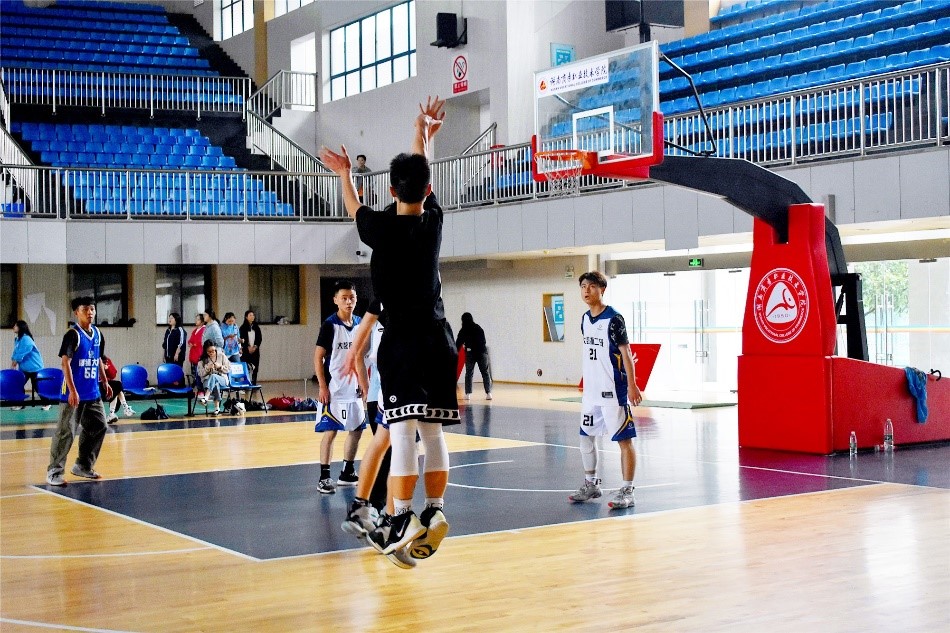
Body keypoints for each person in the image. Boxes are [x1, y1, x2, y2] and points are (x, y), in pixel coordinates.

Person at [320, 95, 458, 566]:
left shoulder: (378, 228)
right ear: (426, 190)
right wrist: (422, 135)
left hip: (402, 343)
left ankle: (400, 517)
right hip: (439, 340)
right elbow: (422, 177)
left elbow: (353, 205)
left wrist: (345, 173)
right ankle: (435, 509)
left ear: (393, 190)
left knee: (402, 435)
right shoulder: (434, 222)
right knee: (433, 434)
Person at [570, 271, 643, 510]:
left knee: (624, 440)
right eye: (583, 286)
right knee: (585, 437)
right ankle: (591, 484)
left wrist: (632, 385)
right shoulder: (584, 319)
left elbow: (626, 353)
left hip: (613, 391)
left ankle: (628, 490)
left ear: (602, 289)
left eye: (591, 286)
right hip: (591, 394)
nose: (586, 290)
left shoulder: (614, 319)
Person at [46, 297, 111, 486]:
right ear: (76, 312)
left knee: (99, 426)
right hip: (72, 393)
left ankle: (83, 465)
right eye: (85, 309)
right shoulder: (72, 334)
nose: (90, 312)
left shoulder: (98, 334)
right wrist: (73, 391)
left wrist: (105, 380)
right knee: (66, 432)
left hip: (92, 392)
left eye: (92, 309)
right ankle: (54, 471)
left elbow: (98, 358)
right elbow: (65, 363)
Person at [313, 280, 367, 495]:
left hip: (354, 389)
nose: (348, 302)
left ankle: (347, 471)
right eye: (344, 298)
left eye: (351, 298)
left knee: (357, 430)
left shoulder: (361, 323)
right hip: (334, 389)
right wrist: (322, 386)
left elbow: (362, 358)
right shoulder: (330, 325)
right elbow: (318, 357)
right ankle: (324, 477)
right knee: (331, 431)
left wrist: (364, 383)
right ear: (335, 300)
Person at [10, 320, 47, 410]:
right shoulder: (18, 339)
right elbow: (16, 351)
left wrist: (16, 360)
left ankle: (47, 403)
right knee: (18, 384)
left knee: (37, 386)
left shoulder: (26, 338)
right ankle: (20, 404)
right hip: (24, 368)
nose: (13, 327)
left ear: (20, 327)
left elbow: (24, 351)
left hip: (34, 367)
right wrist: (13, 359)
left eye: (15, 326)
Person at [456, 312, 493, 401]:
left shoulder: (463, 330)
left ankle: (468, 394)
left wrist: (456, 352)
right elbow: (483, 341)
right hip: (482, 352)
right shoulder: (478, 328)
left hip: (470, 353)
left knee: (469, 373)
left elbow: (458, 343)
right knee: (485, 372)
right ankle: (488, 393)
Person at [196, 340, 230, 416]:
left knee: (214, 376)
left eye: (213, 351)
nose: (212, 353)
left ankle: (206, 397)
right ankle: (217, 408)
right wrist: (207, 368)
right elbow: (200, 374)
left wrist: (220, 367)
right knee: (215, 383)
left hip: (222, 379)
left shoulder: (221, 356)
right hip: (207, 381)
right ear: (205, 351)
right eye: (209, 352)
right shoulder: (202, 360)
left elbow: (228, 369)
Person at [100, 354, 136, 424]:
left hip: (108, 384)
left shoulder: (107, 361)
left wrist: (107, 369)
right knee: (117, 386)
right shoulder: (94, 362)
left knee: (116, 387)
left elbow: (113, 375)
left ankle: (112, 413)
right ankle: (125, 407)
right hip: (98, 385)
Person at [239, 310, 262, 384]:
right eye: (250, 315)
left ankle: (254, 382)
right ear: (246, 317)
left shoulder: (257, 327)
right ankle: (246, 382)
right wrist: (247, 347)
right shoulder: (242, 327)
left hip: (255, 350)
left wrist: (255, 346)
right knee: (246, 367)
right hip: (246, 350)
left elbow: (259, 338)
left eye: (253, 315)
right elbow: (241, 338)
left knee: (255, 367)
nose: (252, 317)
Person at [187, 313, 206, 396]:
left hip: (199, 353)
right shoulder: (195, 330)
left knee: (200, 373)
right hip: (194, 354)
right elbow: (190, 340)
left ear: (202, 321)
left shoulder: (204, 329)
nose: (196, 321)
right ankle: (198, 389)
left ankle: (202, 390)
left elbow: (200, 341)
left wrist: (194, 344)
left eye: (198, 319)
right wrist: (190, 343)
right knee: (195, 373)